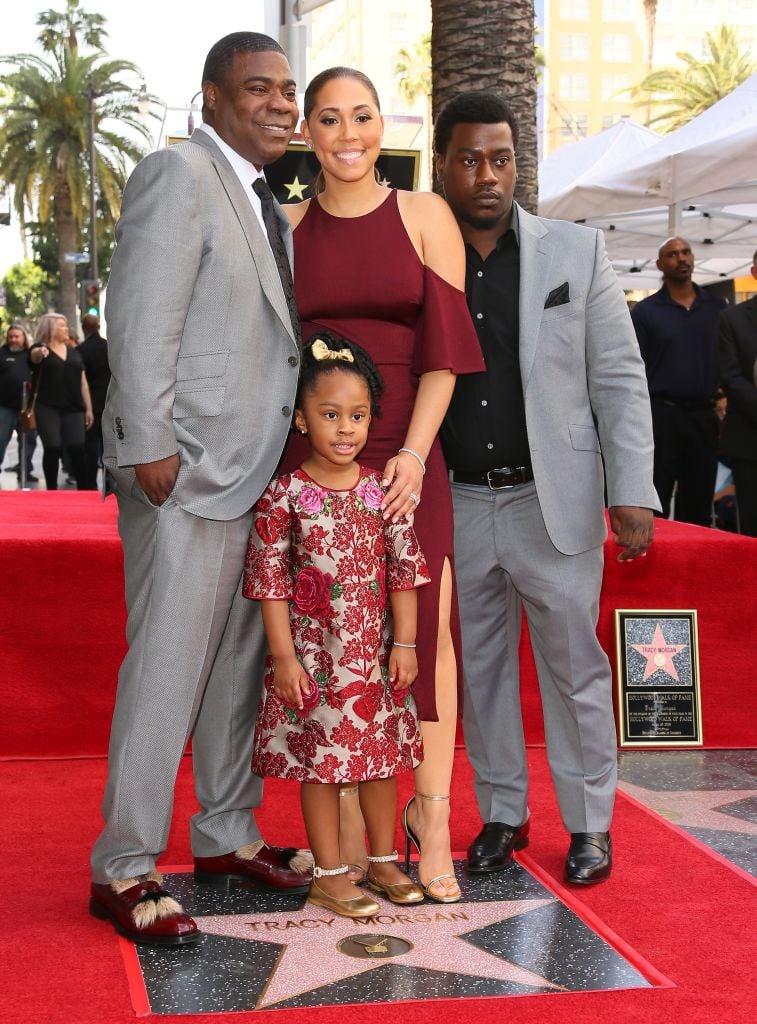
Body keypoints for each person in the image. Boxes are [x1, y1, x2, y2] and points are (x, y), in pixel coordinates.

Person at [89, 32, 311, 948]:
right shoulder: (179, 174)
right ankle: (124, 865)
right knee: (169, 666)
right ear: (211, 98)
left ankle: (222, 835)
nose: (279, 104)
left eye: (286, 89)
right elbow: (138, 314)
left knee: (233, 669)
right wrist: (146, 441)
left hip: (249, 468)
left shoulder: (259, 197)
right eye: (257, 88)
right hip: (182, 469)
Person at [435, 92, 659, 885]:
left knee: (574, 671)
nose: (486, 175)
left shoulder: (575, 252)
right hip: (456, 500)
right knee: (480, 672)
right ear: (442, 164)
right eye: (469, 159)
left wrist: (632, 488)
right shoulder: (423, 256)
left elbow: (620, 378)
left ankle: (590, 825)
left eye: (500, 159)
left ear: (515, 164)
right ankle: (502, 813)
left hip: (551, 501)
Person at [280, 67, 485, 903]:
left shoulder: (425, 215)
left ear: (381, 123)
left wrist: (409, 456)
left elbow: (444, 355)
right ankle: (345, 845)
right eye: (329, 119)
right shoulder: (289, 226)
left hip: (408, 456)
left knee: (424, 636)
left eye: (361, 115)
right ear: (308, 133)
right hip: (317, 467)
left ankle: (429, 816)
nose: (349, 133)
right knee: (332, 647)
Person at [245, 332, 429, 916]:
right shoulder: (284, 496)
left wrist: (405, 643)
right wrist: (283, 657)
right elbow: (269, 583)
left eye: (357, 415)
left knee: (380, 763)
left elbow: (405, 571)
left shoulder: (382, 493)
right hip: (314, 663)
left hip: (373, 662)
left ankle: (381, 860)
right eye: (330, 415)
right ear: (301, 419)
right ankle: (328, 873)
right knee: (320, 768)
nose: (345, 428)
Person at [631, 237, 726, 526]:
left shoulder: (717, 307)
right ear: (660, 265)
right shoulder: (646, 312)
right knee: (656, 497)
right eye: (672, 255)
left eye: (686, 252)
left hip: (704, 416)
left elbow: (727, 358)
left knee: (698, 500)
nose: (681, 258)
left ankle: (693, 568)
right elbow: (634, 367)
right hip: (662, 417)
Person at [28, 313, 93, 490]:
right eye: (62, 325)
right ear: (51, 328)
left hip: (74, 407)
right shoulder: (40, 349)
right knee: (52, 448)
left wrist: (89, 409)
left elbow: (83, 383)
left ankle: (84, 491)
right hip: (47, 407)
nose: (66, 329)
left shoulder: (74, 352)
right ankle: (51, 490)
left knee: (78, 448)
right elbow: (34, 357)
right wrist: (40, 353)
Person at [718, 249, 757, 536]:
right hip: (749, 440)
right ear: (754, 273)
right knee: (752, 525)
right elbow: (731, 376)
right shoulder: (732, 319)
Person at [0, 324, 38, 483]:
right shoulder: (1, 353)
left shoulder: (31, 356)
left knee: (29, 439)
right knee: (0, 439)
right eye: (11, 337)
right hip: (5, 406)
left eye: (17, 336)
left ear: (24, 338)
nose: (14, 339)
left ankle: (25, 470)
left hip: (27, 408)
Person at [78, 313, 110, 490]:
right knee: (109, 448)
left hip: (91, 404)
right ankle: (110, 484)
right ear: (98, 327)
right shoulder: (108, 346)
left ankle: (90, 484)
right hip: (109, 402)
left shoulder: (82, 350)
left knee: (90, 448)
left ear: (84, 328)